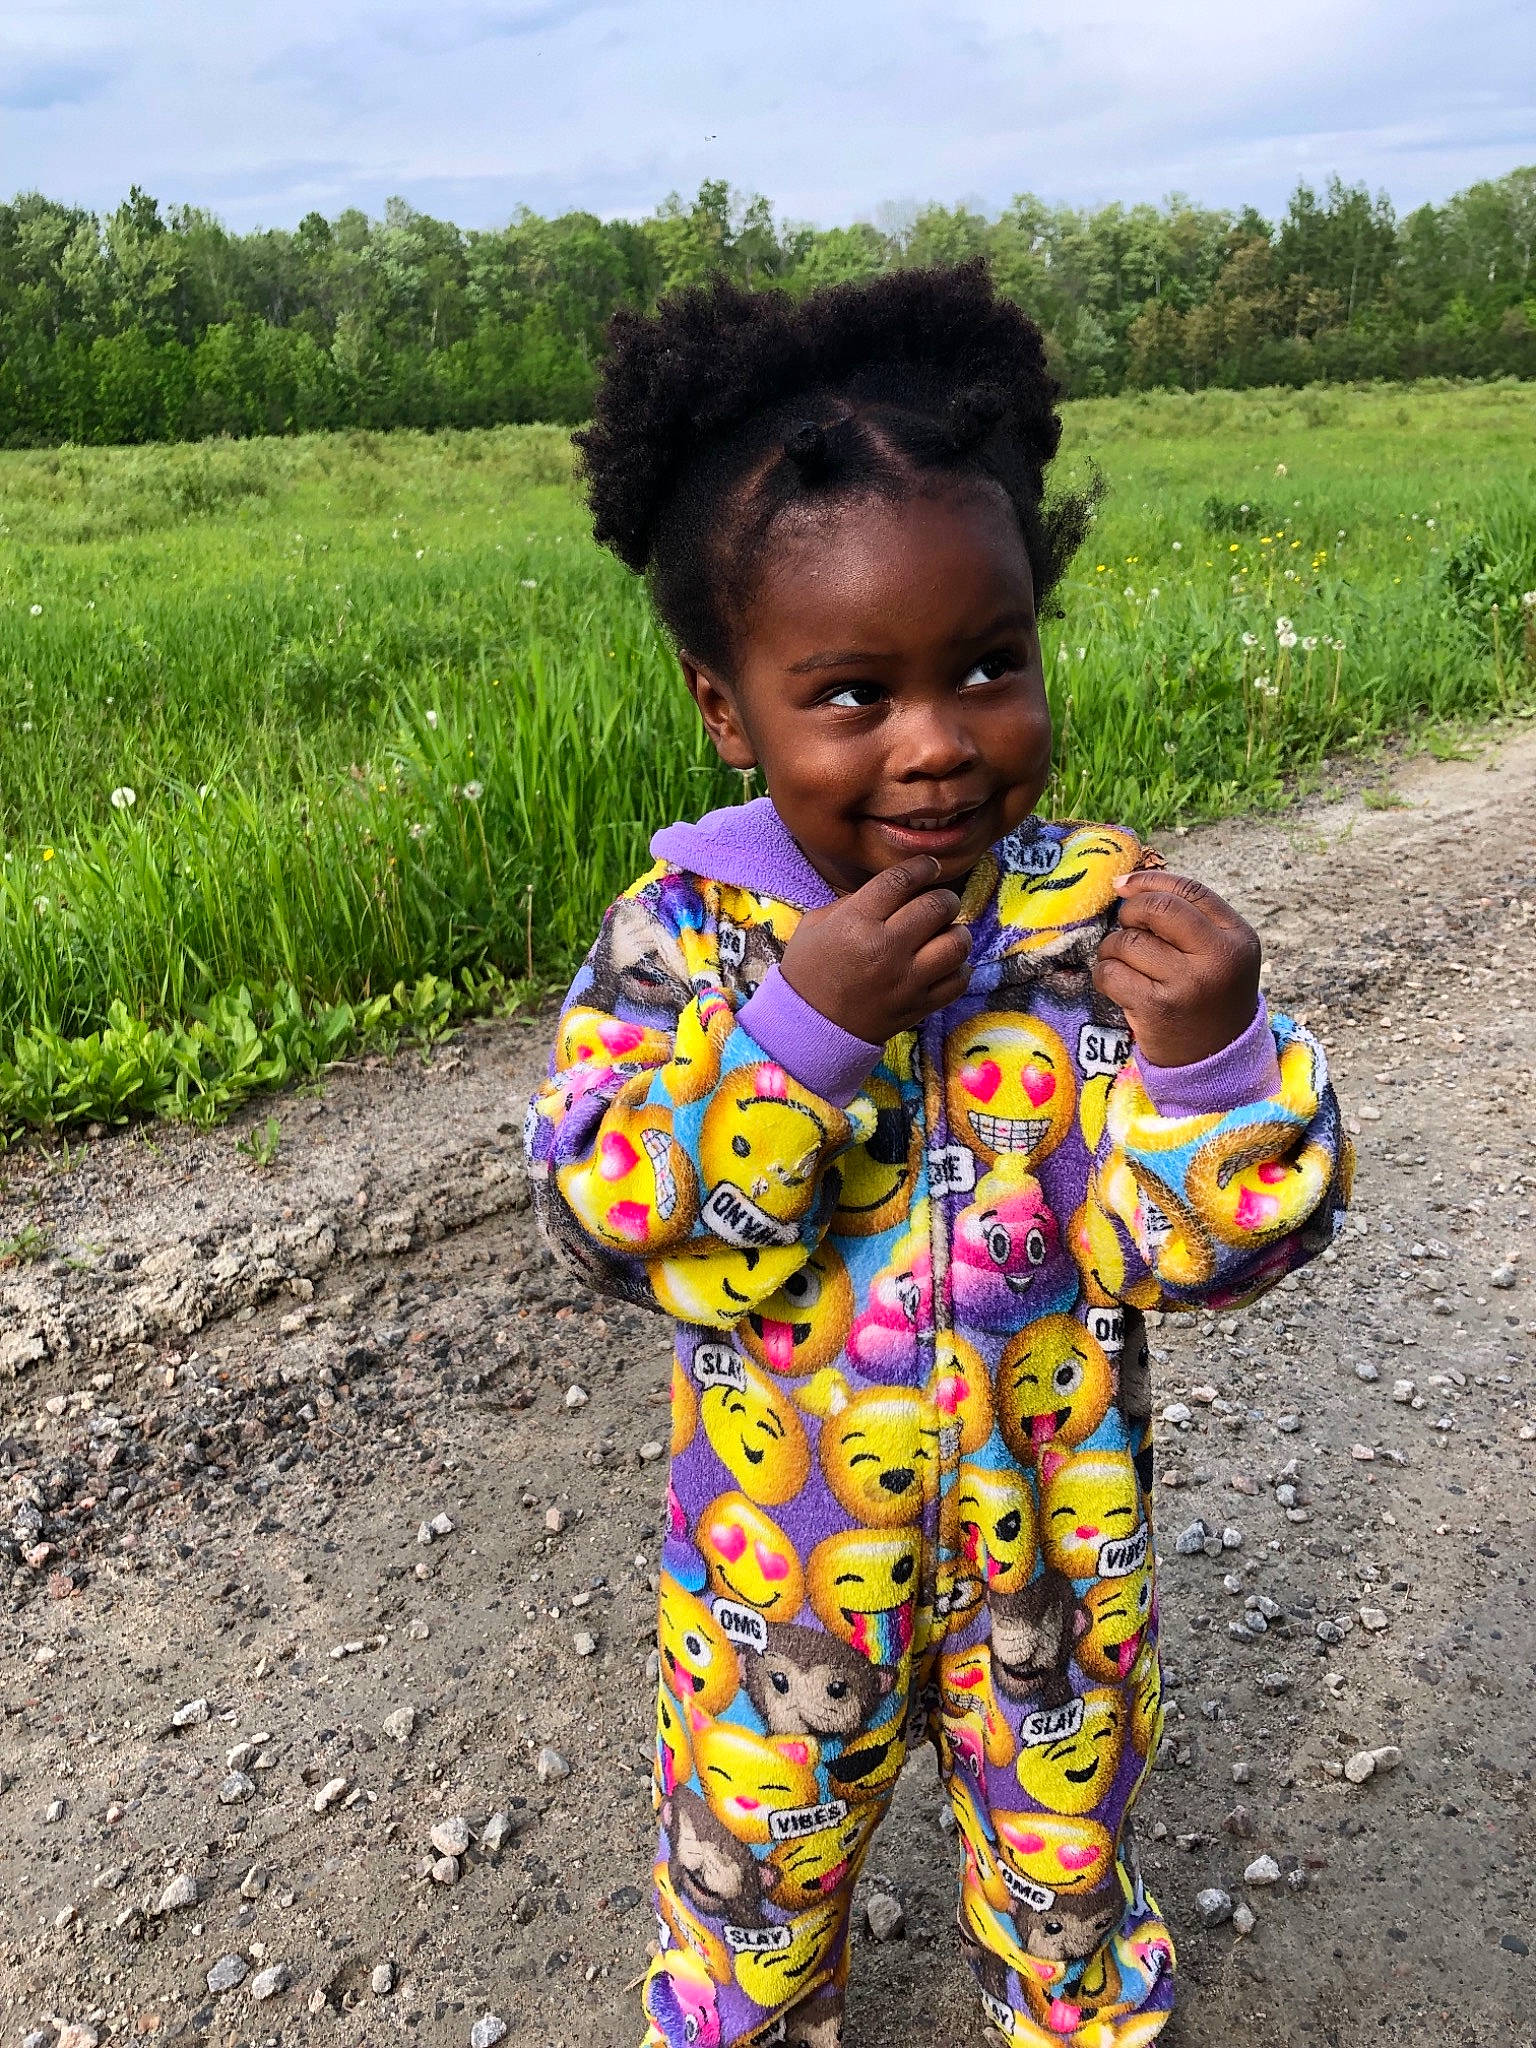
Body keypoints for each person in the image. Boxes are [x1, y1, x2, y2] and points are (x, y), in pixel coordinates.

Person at [525, 262, 1351, 2048]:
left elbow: (1195, 1251)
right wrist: (796, 1044)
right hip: (771, 1594)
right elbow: (605, 1219)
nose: (937, 743)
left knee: (1072, 1920)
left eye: (989, 664)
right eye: (850, 692)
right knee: (747, 1923)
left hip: (1058, 1575)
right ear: (725, 704)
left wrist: (1216, 1066)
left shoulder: (1093, 924)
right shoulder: (681, 946)